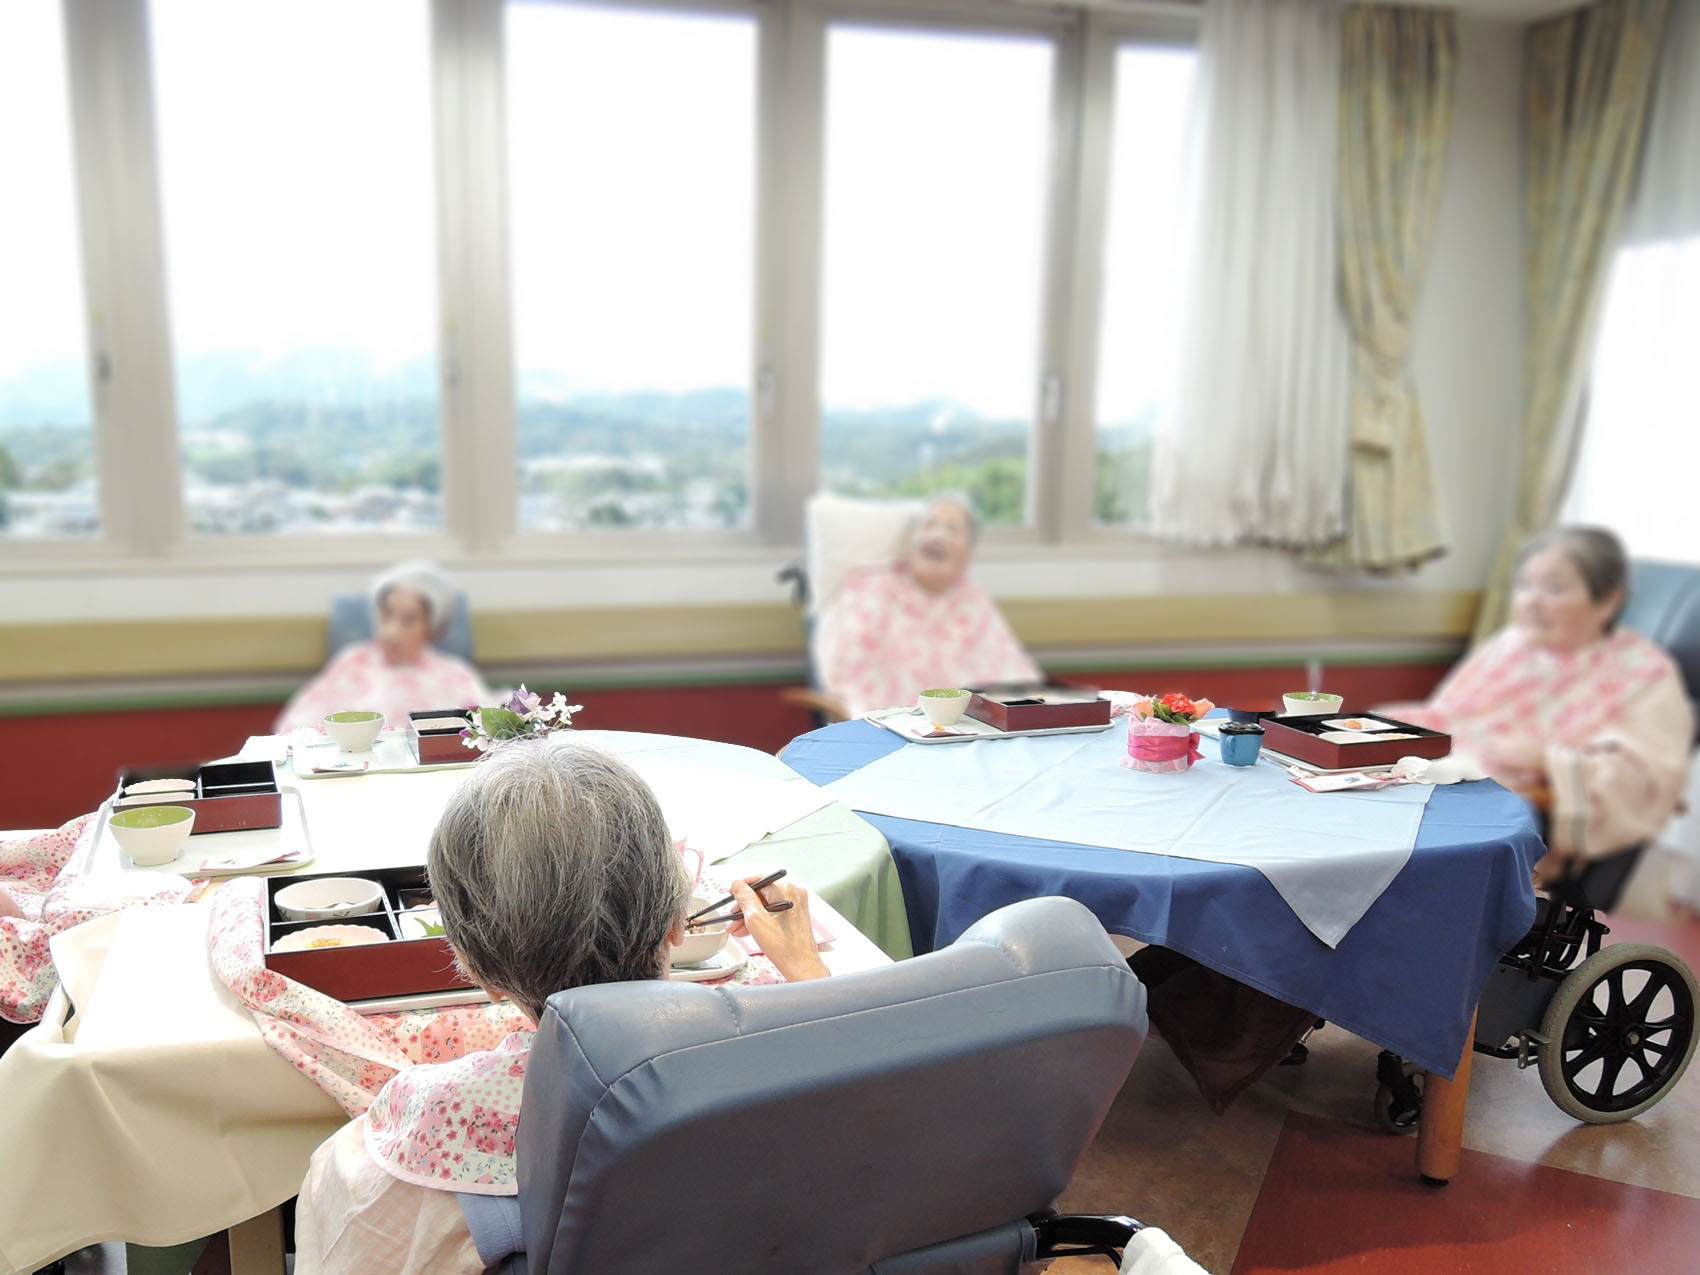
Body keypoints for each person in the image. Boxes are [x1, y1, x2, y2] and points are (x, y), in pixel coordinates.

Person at [293, 739, 829, 1274]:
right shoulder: (794, 1074)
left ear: (473, 966)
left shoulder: (414, 1133)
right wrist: (809, 972)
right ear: (676, 924)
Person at [1384, 525, 1693, 884]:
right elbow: (1450, 714)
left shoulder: (1642, 673)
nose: (1531, 600)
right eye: (1525, 585)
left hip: (1505, 813)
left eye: (1554, 588)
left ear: (1608, 600)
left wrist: (1546, 759)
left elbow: (1644, 778)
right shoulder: (1511, 644)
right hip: (1449, 777)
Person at [817, 493, 1042, 718]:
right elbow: (843, 678)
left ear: (968, 554)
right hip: (882, 728)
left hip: (973, 730)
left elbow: (1016, 679)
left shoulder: (974, 597)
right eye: (928, 525)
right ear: (909, 541)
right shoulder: (870, 588)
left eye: (953, 529)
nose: (938, 535)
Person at [276, 560, 491, 734]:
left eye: (409, 620)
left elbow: (486, 731)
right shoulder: (352, 663)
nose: (391, 631)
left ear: (432, 627)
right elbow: (296, 728)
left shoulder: (455, 675)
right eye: (386, 615)